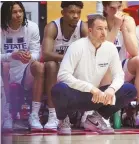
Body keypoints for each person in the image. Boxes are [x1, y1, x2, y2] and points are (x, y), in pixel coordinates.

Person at [51, 15, 137, 134]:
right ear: (90, 31)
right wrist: (90, 88)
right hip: (76, 95)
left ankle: (95, 118)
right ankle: (63, 119)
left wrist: (111, 89)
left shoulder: (110, 48)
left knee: (129, 89)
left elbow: (119, 75)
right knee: (59, 89)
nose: (104, 32)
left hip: (97, 97)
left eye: (106, 29)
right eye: (100, 29)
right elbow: (63, 75)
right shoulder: (76, 47)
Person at [101, 1, 139, 130]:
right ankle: (102, 115)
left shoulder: (129, 21)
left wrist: (123, 29)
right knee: (106, 66)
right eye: (113, 8)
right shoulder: (99, 22)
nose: (117, 12)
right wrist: (115, 27)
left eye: (119, 7)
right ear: (105, 8)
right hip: (102, 68)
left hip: (122, 67)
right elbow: (104, 51)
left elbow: (134, 52)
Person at [42, 1, 88, 132]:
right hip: (56, 71)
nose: (76, 16)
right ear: (63, 13)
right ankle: (53, 115)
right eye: (71, 12)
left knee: (90, 65)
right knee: (51, 65)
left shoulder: (82, 27)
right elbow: (45, 54)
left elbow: (90, 53)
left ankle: (88, 114)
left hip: (75, 70)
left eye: (78, 12)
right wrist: (67, 58)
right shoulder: (52, 27)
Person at [1, 1, 44, 131]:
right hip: (5, 71)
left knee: (39, 66)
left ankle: (34, 115)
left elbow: (37, 53)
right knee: (6, 65)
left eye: (21, 11)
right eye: (14, 12)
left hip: (26, 71)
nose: (19, 15)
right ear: (6, 14)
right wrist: (10, 56)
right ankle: (7, 114)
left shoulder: (32, 27)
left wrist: (29, 57)